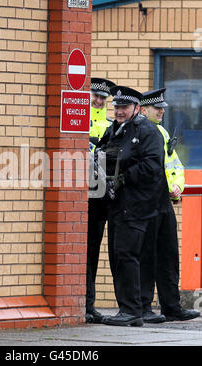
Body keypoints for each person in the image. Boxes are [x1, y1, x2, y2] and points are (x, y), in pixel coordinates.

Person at [96, 86, 165, 326]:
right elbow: (103, 153)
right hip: (116, 203)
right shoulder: (115, 129)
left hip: (137, 204)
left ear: (137, 108)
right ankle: (133, 309)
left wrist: (125, 176)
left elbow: (152, 165)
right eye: (116, 107)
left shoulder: (147, 131)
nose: (119, 111)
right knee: (120, 256)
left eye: (124, 107)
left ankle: (132, 310)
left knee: (127, 255)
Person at [140, 88, 200, 322]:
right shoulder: (140, 131)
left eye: (163, 107)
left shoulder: (162, 131)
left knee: (168, 256)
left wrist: (177, 188)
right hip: (147, 203)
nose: (162, 111)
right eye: (158, 108)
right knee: (146, 256)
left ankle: (171, 306)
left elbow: (174, 165)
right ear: (144, 109)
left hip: (164, 202)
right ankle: (144, 306)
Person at [86, 78, 116, 323]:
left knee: (93, 251)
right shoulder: (78, 121)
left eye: (102, 98)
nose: (98, 101)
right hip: (80, 195)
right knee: (83, 251)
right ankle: (85, 305)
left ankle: (89, 305)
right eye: (95, 96)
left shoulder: (110, 125)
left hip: (101, 195)